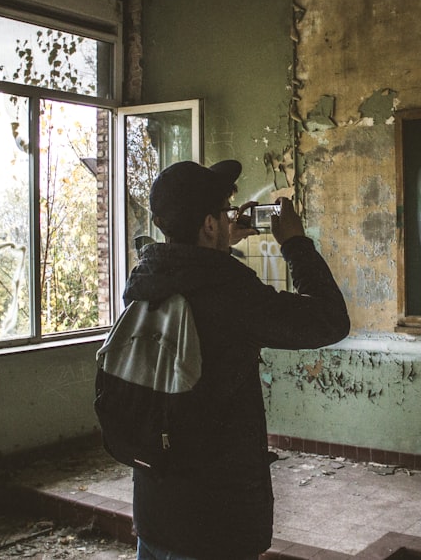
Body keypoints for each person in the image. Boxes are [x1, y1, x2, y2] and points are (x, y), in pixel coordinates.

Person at [124, 159, 350, 560]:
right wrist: (295, 243)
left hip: (155, 507)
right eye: (224, 213)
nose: (230, 218)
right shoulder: (230, 292)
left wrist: (219, 244)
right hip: (213, 526)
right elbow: (329, 321)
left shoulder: (146, 278)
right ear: (209, 224)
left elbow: (192, 268)